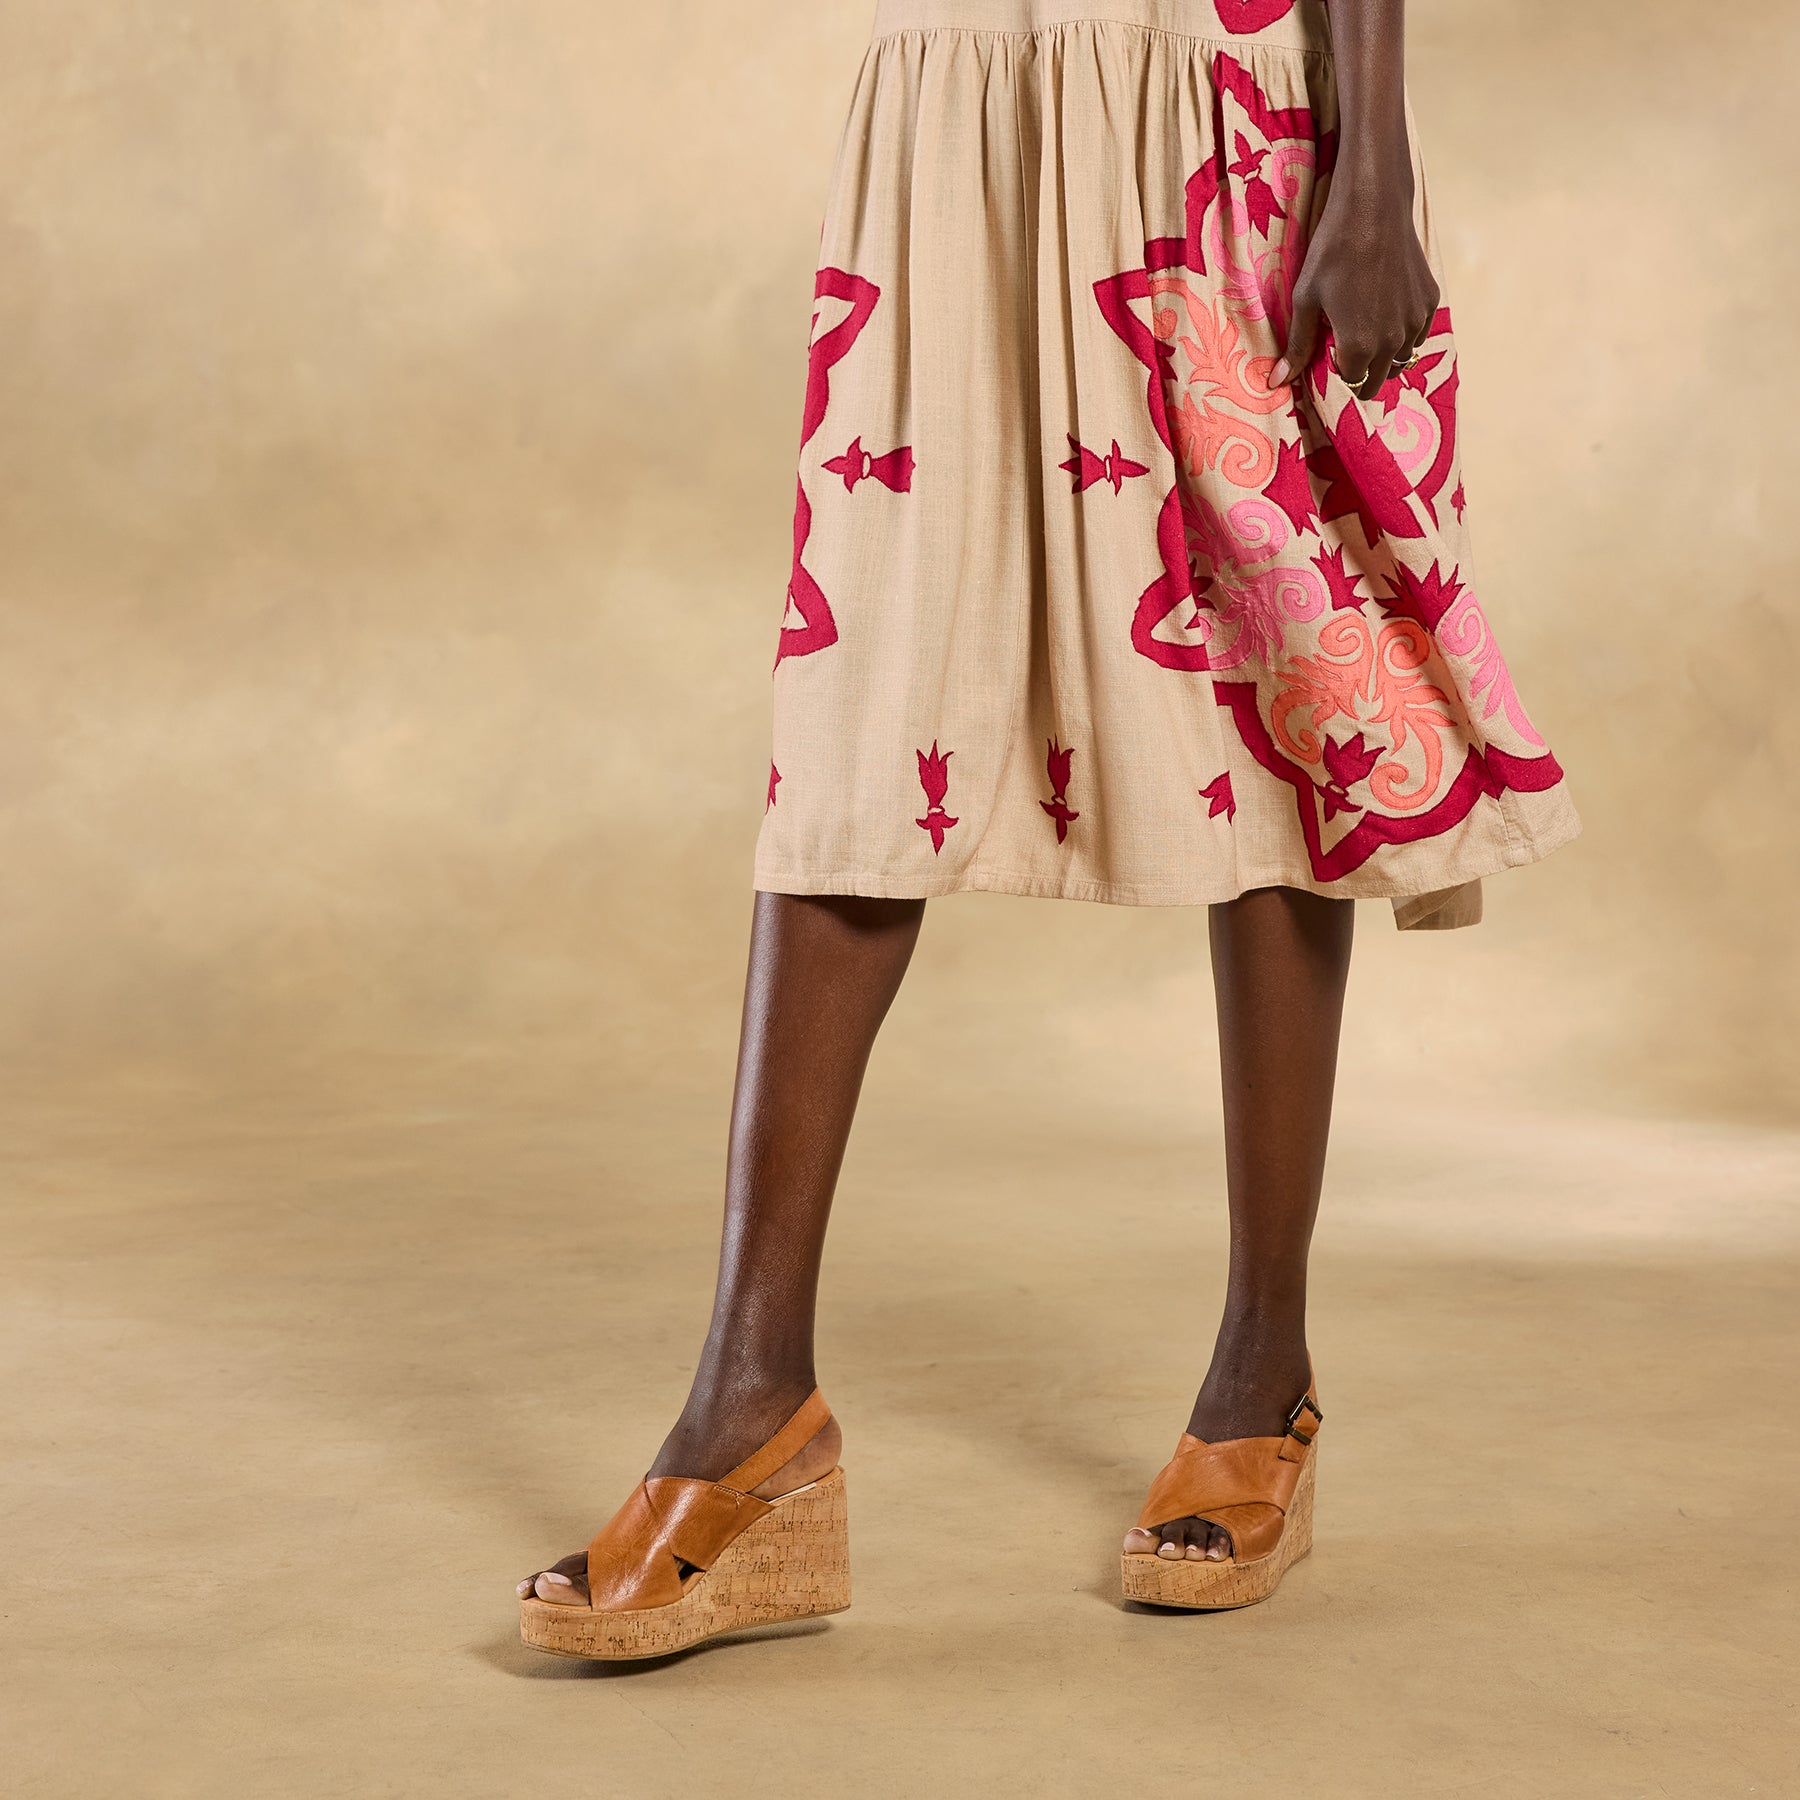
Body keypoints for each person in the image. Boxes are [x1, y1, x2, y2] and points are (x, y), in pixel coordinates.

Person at [518, 0, 1579, 1656]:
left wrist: (1371, 164)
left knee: (1273, 682)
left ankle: (1262, 1380)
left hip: (1211, 95)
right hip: (952, 113)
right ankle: (752, 1402)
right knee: (864, 721)